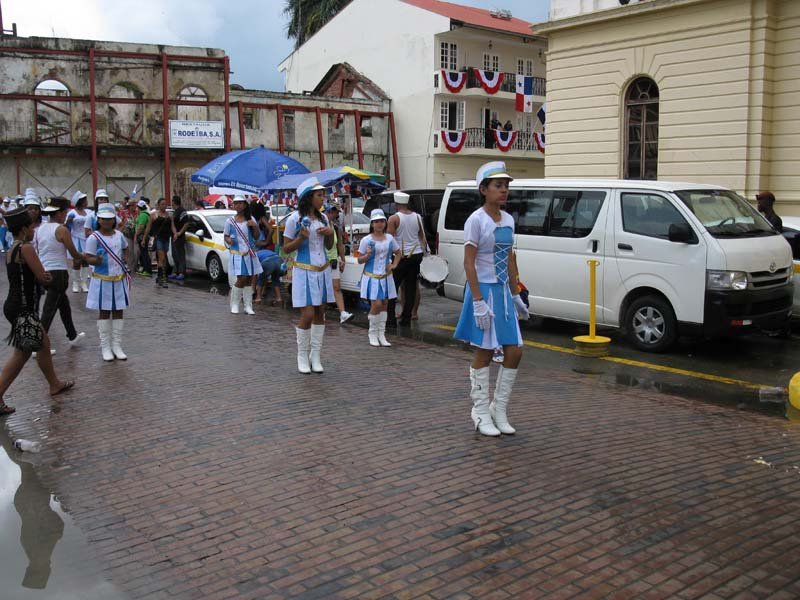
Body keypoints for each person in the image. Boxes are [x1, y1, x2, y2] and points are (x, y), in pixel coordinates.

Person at [454, 161, 529, 437]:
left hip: (503, 293)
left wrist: (516, 293)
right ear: (484, 189)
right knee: (484, 352)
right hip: (483, 291)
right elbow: (469, 263)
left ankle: (499, 409)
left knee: (515, 351)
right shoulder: (476, 220)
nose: (504, 190)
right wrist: (477, 301)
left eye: (506, 185)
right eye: (498, 185)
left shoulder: (508, 220)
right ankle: (480, 411)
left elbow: (509, 258)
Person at [0, 207, 75, 416]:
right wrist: (47, 277)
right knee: (22, 353)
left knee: (43, 344)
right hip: (23, 307)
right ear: (24, 229)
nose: (34, 230)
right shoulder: (25, 248)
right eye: (32, 227)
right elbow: (43, 277)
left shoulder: (12, 249)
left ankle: (54, 383)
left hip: (16, 306)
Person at [282, 177, 334, 374]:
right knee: (308, 313)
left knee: (320, 312)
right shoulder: (294, 219)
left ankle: (316, 355)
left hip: (322, 269)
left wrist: (330, 233)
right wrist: (300, 238)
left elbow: (329, 246)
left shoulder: (324, 218)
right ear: (308, 197)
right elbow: (286, 248)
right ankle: (302, 355)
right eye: (319, 195)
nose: (323, 199)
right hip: (304, 270)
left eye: (323, 195)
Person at [34, 196, 85, 349]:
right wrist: (85, 256)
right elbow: (74, 253)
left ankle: (72, 335)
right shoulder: (61, 230)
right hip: (58, 273)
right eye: (65, 213)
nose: (66, 216)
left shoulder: (40, 229)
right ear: (59, 213)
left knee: (63, 305)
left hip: (44, 271)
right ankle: (38, 345)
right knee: (49, 310)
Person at [84, 204, 130, 362]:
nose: (107, 221)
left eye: (110, 219)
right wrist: (95, 260)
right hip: (102, 280)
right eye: (103, 219)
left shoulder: (119, 235)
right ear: (98, 220)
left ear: (114, 220)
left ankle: (117, 345)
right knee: (104, 311)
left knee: (118, 310)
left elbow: (125, 248)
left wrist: (125, 258)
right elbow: (87, 257)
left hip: (119, 279)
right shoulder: (93, 237)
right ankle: (105, 346)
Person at [358, 209, 401, 347]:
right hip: (372, 277)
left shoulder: (390, 238)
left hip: (386, 277)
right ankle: (372, 333)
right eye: (376, 221)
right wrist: (367, 255)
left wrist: (394, 265)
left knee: (385, 304)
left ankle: (381, 334)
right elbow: (359, 260)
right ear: (372, 223)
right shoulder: (366, 240)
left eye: (382, 221)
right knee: (376, 304)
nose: (379, 224)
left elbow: (398, 252)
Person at [387, 191, 427, 327]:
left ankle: (391, 320)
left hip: (400, 256)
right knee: (411, 288)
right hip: (416, 255)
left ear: (396, 203)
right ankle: (406, 319)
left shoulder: (394, 218)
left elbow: (390, 239)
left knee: (393, 287)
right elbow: (422, 236)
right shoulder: (417, 217)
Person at [223, 195, 262, 315]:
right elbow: (225, 236)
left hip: (250, 253)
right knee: (242, 278)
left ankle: (248, 306)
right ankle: (235, 303)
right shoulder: (230, 221)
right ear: (233, 205)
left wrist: (255, 226)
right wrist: (229, 240)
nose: (238, 205)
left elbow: (256, 237)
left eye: (240, 203)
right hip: (237, 254)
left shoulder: (251, 219)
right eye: (236, 203)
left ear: (245, 205)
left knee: (249, 279)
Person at [325, 202, 353, 324]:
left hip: (333, 260)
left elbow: (340, 245)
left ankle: (343, 313)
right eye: (334, 212)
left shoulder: (335, 227)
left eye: (336, 212)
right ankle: (320, 313)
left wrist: (343, 259)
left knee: (336, 287)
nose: (335, 215)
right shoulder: (321, 226)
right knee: (323, 288)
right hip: (321, 262)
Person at [66, 191, 91, 292]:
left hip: (86, 239)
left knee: (86, 261)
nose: (87, 202)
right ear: (79, 201)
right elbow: (67, 227)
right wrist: (68, 221)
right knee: (77, 261)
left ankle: (84, 283)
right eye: (85, 200)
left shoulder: (88, 212)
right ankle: (76, 283)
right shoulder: (72, 213)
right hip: (76, 239)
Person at [143, 198, 171, 287]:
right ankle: (164, 279)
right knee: (162, 258)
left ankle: (159, 276)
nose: (164, 206)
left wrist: (175, 234)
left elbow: (172, 226)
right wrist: (144, 239)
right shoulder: (153, 215)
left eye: (165, 204)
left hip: (166, 239)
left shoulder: (169, 215)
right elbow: (148, 227)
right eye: (162, 204)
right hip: (158, 239)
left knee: (162, 259)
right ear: (158, 205)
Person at [254, 235, 284, 306]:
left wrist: (254, 289)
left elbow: (255, 274)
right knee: (275, 279)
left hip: (268, 262)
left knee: (260, 279)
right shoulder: (266, 251)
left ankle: (258, 298)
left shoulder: (255, 255)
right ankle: (279, 298)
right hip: (279, 261)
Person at [169, 195, 189, 281]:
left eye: (172, 201)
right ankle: (175, 271)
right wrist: (174, 233)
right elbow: (172, 223)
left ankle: (182, 272)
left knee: (180, 255)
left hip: (180, 237)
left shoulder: (182, 211)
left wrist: (179, 233)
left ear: (174, 202)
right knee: (174, 254)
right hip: (174, 236)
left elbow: (186, 223)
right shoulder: (174, 212)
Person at [133, 199, 151, 276]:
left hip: (141, 236)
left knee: (144, 254)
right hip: (143, 236)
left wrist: (135, 235)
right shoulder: (145, 214)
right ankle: (146, 269)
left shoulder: (143, 215)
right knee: (144, 253)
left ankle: (147, 270)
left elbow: (141, 227)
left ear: (139, 207)